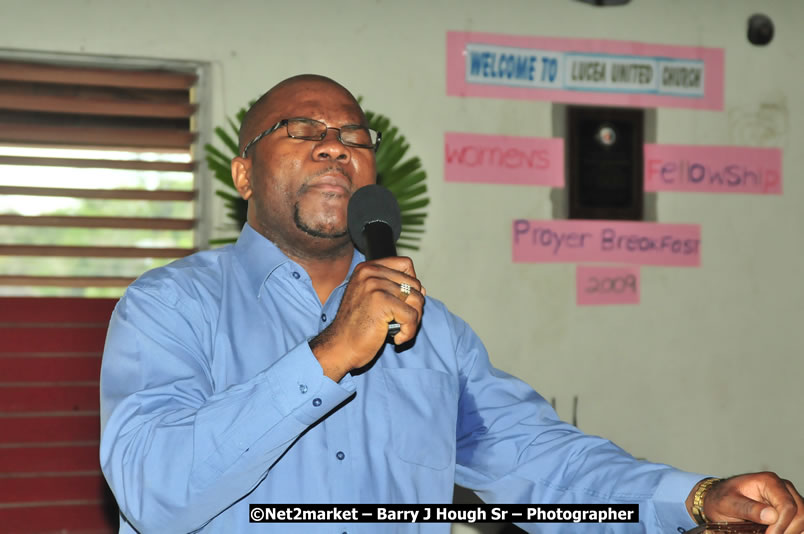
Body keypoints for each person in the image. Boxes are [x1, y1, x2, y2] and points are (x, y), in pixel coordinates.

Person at [99, 74, 803, 534]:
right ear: (244, 171)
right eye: (302, 130)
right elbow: (155, 492)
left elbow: (543, 465)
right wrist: (327, 358)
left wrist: (697, 500)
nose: (334, 148)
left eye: (353, 137)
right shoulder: (169, 308)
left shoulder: (434, 336)